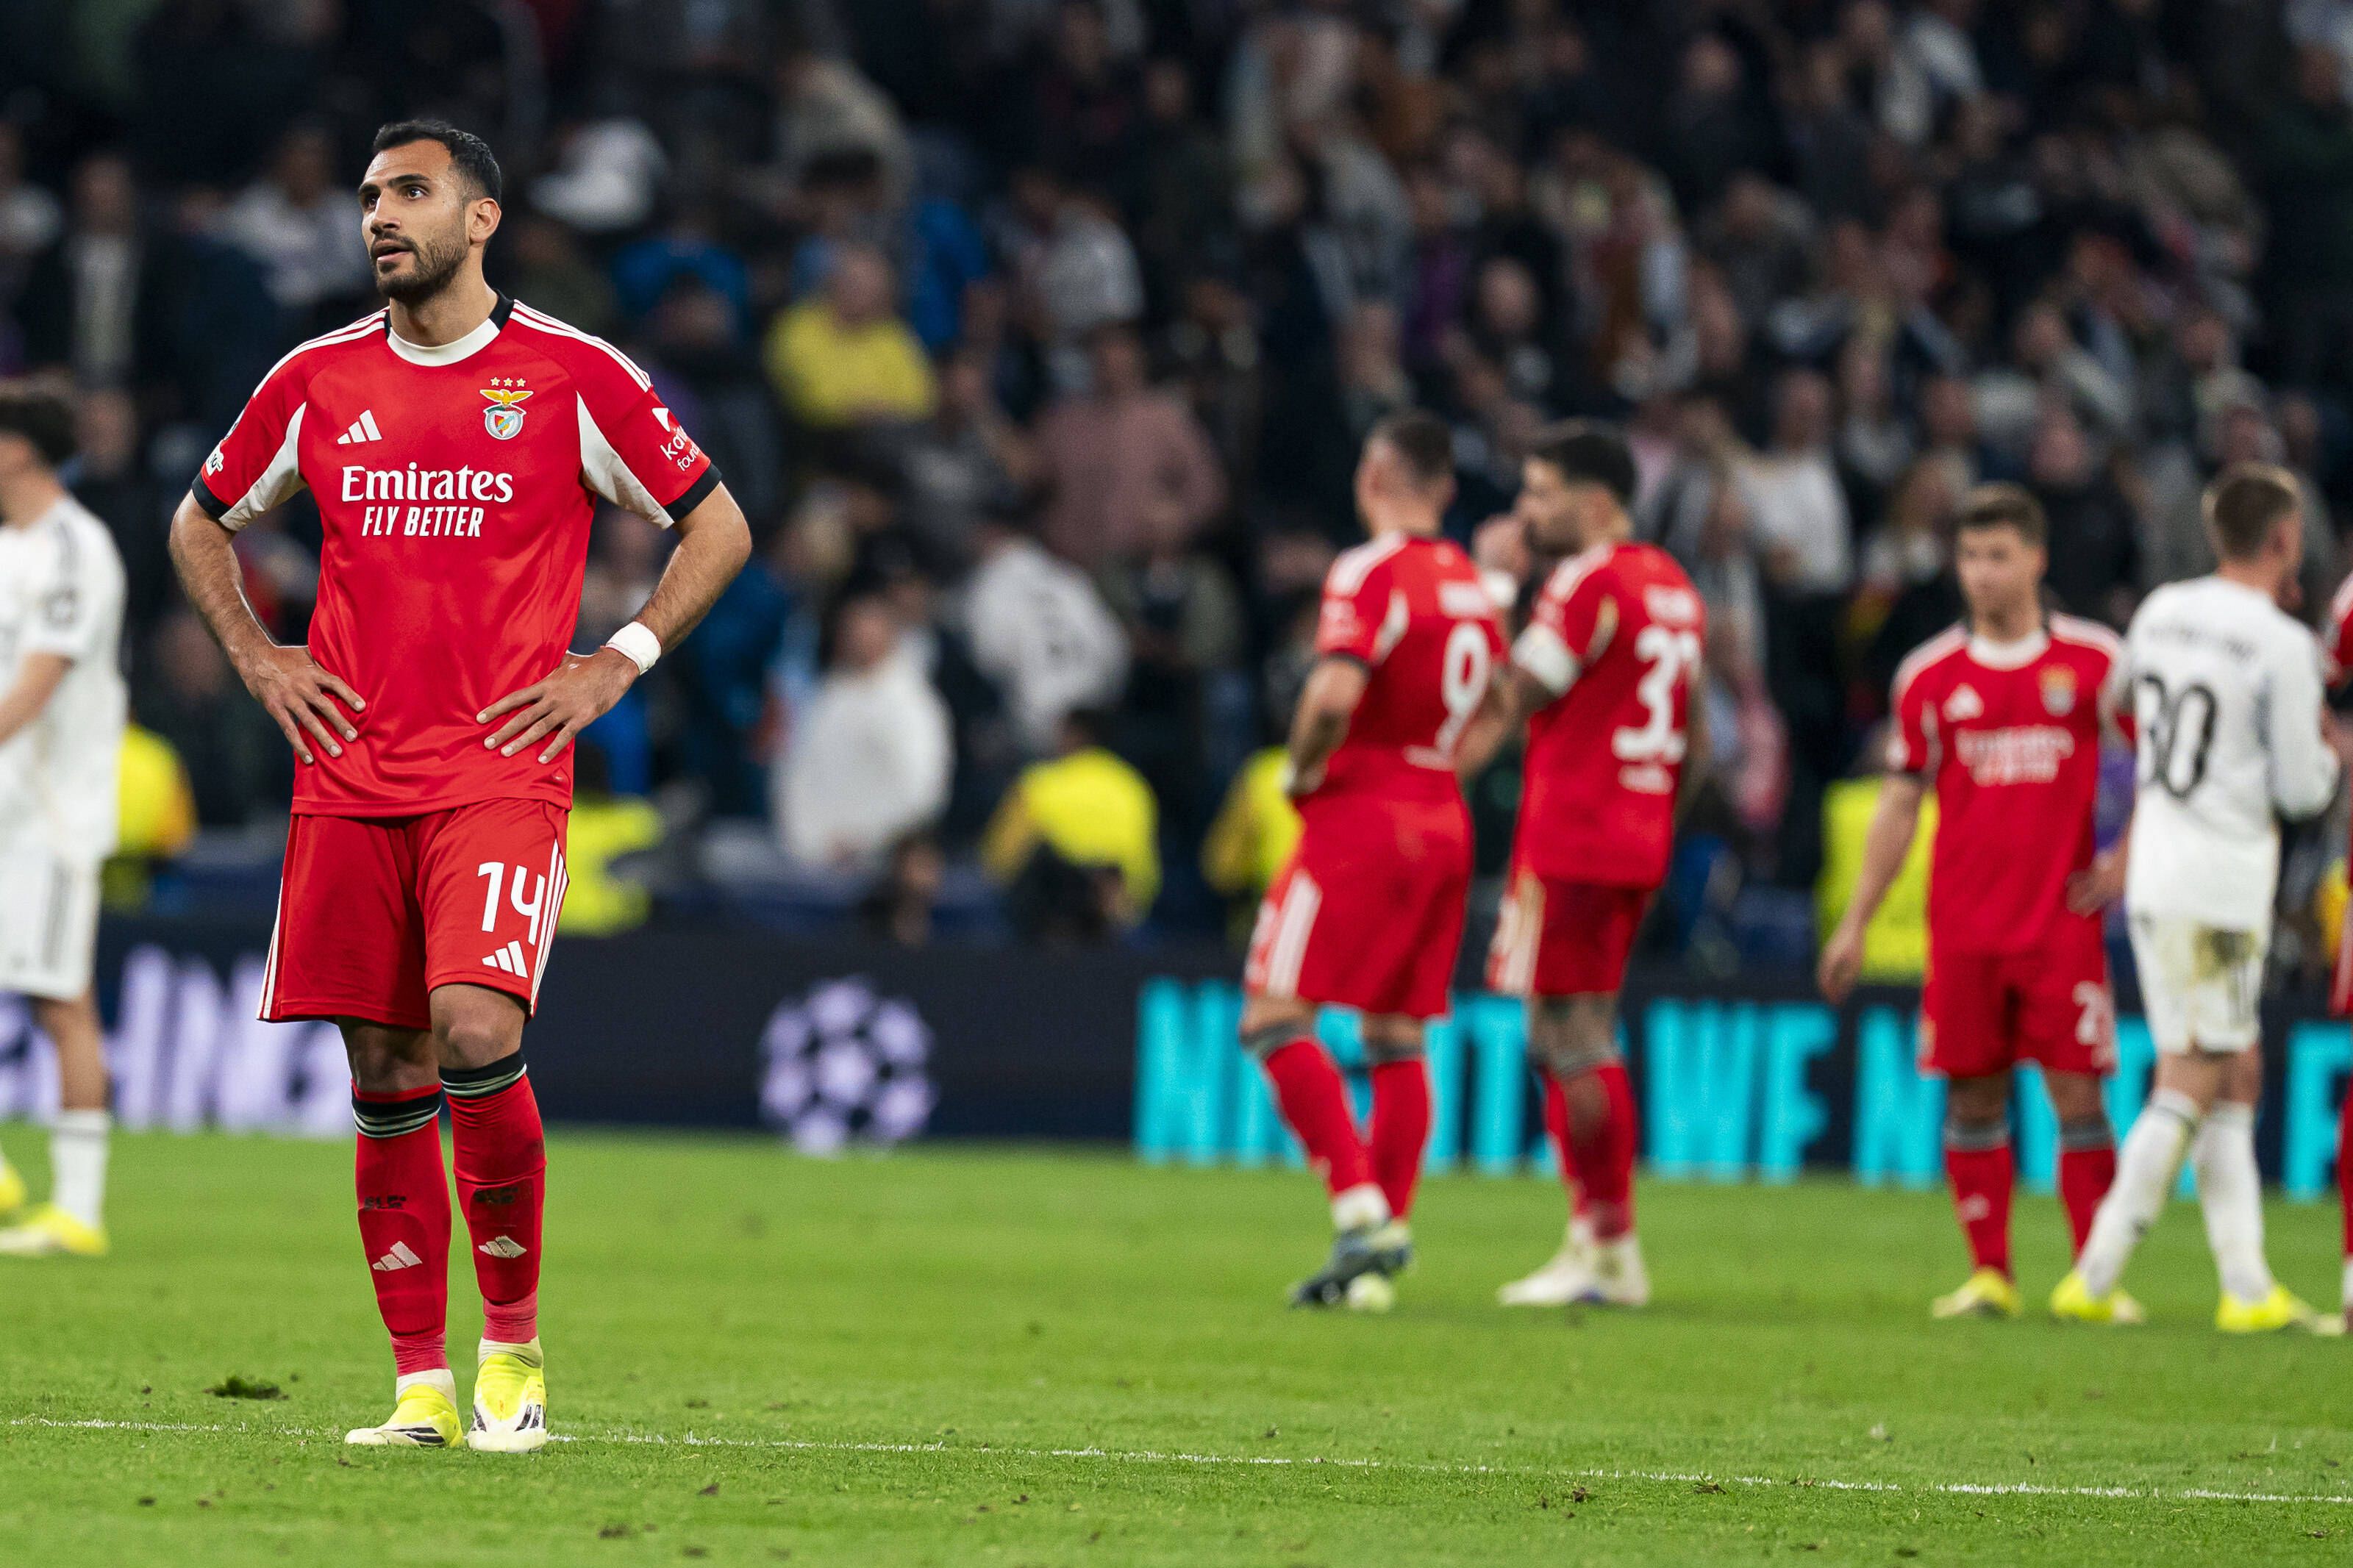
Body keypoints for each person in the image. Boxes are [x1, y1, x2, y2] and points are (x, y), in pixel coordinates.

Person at [166, 122, 751, 1450]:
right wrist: (260, 657)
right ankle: (419, 1386)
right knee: (382, 1067)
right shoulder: (314, 378)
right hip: (348, 775)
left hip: (498, 768)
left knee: (475, 1031)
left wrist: (619, 659)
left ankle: (514, 1354)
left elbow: (718, 520)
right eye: (372, 196)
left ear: (481, 219)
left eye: (411, 193)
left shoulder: (570, 373)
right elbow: (199, 517)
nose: (380, 215)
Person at [1818, 484, 2126, 1320]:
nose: (1981, 574)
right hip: (1961, 926)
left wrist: (2127, 856)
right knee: (1972, 1098)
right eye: (1968, 557)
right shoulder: (1927, 676)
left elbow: (2162, 763)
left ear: (2035, 558)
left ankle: (2093, 1279)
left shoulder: (2096, 661)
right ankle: (1988, 1273)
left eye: (1997, 556)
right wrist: (1852, 922)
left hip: (2060, 920)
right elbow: (1896, 803)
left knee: (2077, 1096)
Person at [2054, 465, 2338, 1333]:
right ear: (2284, 540)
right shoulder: (2283, 643)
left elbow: (2117, 709)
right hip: (2219, 884)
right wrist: (2330, 752)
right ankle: (2094, 1273)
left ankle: (2246, 1287)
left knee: (2235, 1064)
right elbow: (2298, 790)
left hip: (2157, 871)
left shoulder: (2160, 610)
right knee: (2194, 1068)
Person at [1238, 411, 1502, 1311]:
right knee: (1395, 1032)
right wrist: (1439, 772)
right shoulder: (1468, 581)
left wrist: (1302, 766)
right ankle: (1375, 1259)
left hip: (1362, 814)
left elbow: (1333, 691)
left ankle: (1359, 1214)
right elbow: (1498, 706)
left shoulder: (1368, 569)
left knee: (1272, 1011)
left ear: (1377, 474)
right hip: (1440, 814)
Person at [1457, 423, 1707, 1312]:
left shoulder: (1583, 581)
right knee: (1570, 1030)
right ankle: (1595, 1241)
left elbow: (1503, 691)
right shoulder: (1672, 587)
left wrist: (1491, 587)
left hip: (1570, 834)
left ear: (1593, 503)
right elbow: (1700, 738)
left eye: (1538, 493)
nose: (1524, 511)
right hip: (1635, 833)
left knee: (1569, 1037)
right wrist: (1652, 817)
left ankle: (1604, 1243)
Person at [0, 387, 128, 1259]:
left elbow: (36, 686)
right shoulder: (9, 546)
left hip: (48, 815)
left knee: (60, 1002)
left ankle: (78, 1210)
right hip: (5, 803)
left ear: (22, 451)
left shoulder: (78, 549)